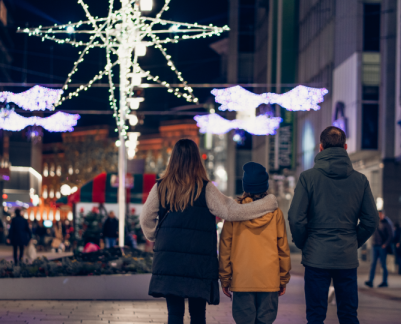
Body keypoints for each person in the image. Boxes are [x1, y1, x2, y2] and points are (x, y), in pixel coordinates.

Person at [140, 139, 279, 324]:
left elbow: (145, 217)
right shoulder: (205, 188)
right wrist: (267, 203)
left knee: (174, 313)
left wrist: (154, 235)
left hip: (169, 259)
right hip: (199, 261)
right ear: (197, 160)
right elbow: (230, 211)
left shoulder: (160, 187)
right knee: (198, 314)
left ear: (173, 159)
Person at [287, 126, 379, 324]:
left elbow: (296, 217)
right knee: (348, 315)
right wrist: (353, 240)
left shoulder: (308, 178)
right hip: (346, 257)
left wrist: (306, 243)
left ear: (320, 148)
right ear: (345, 147)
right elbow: (371, 220)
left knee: (315, 315)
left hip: (316, 257)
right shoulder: (360, 180)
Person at [219, 162, 291, 324]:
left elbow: (225, 247)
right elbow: (283, 249)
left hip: (241, 279)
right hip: (269, 280)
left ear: (245, 186)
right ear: (265, 186)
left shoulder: (233, 213)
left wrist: (225, 278)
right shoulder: (276, 213)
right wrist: (283, 278)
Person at [365, 211, 394, 288]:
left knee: (383, 264)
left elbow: (391, 235)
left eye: (380, 215)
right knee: (373, 264)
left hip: (382, 246)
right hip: (375, 246)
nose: (379, 216)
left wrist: (385, 244)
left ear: (384, 215)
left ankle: (385, 281)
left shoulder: (387, 223)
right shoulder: (376, 222)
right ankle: (370, 281)